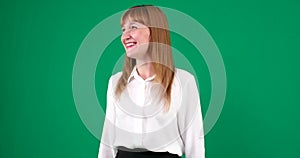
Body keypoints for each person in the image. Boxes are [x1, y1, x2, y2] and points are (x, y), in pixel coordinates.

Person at [98, 5, 205, 158]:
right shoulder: (115, 82)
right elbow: (107, 141)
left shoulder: (183, 81)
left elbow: (194, 141)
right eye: (123, 30)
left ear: (154, 32)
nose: (125, 36)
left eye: (133, 27)